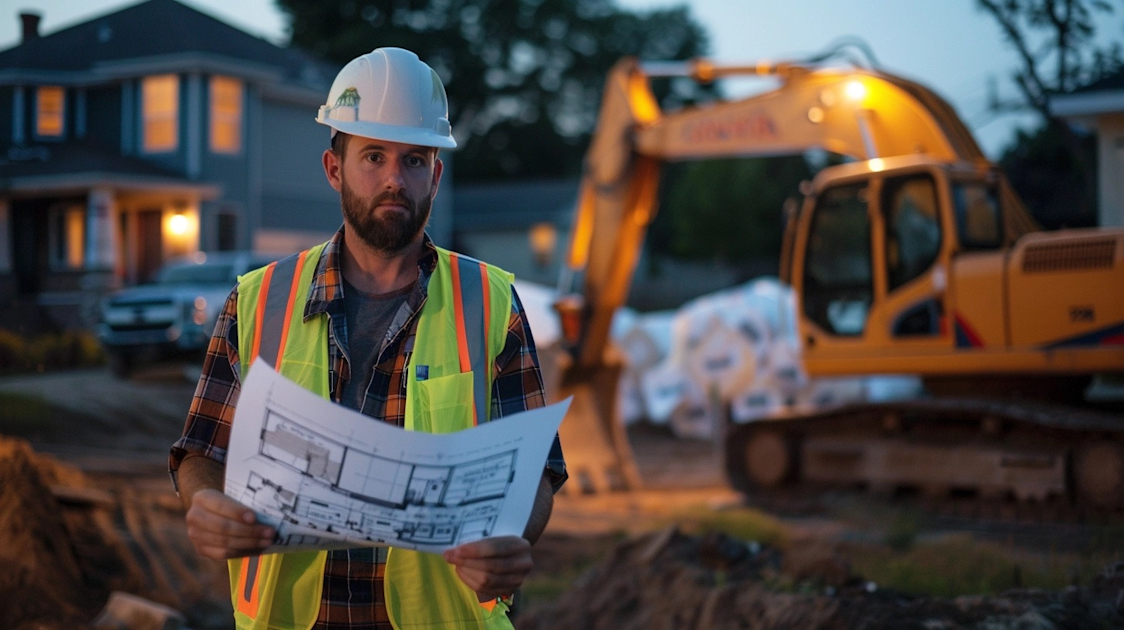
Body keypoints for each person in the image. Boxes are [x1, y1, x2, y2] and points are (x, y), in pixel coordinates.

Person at [169, 47, 567, 630]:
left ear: (435, 173)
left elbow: (536, 470)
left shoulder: (489, 301)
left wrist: (511, 539)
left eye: (413, 160)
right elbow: (201, 451)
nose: (392, 179)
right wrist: (205, 502)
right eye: (373, 156)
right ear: (335, 168)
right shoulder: (257, 301)